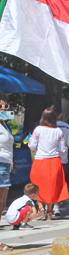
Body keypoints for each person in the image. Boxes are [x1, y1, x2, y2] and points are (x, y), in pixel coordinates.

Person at [28, 108, 69, 220]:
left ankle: (41, 207)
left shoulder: (38, 129)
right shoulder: (59, 131)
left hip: (40, 160)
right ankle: (49, 211)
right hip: (54, 161)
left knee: (37, 184)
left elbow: (31, 145)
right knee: (52, 187)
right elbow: (63, 150)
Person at [51, 104, 69, 216]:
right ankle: (56, 206)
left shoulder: (41, 127)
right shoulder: (65, 127)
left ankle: (46, 206)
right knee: (59, 183)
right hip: (62, 159)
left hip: (44, 159)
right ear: (60, 114)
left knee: (48, 183)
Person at [0, 92, 13, 233]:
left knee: (2, 204)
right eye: (0, 106)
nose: (3, 109)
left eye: (5, 106)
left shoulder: (5, 125)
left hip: (6, 164)